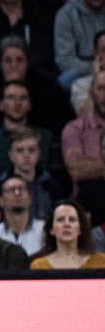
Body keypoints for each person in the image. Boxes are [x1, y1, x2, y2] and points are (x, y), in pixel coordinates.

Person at [62, 70, 105, 225]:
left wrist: (92, 164)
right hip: (87, 207)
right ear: (91, 93)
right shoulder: (75, 129)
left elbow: (84, 167)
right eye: (101, 89)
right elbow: (77, 170)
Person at [54, 0, 105, 89]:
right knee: (63, 81)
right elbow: (65, 60)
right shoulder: (65, 15)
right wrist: (96, 68)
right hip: (81, 73)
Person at [30, 199, 105, 269]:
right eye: (60, 220)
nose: (66, 224)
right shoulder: (39, 266)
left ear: (80, 229)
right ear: (51, 229)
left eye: (72, 220)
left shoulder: (101, 262)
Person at [0, 175, 45, 255]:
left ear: (30, 198)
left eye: (21, 189)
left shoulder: (44, 230)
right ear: (0, 201)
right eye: (11, 190)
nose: (17, 193)